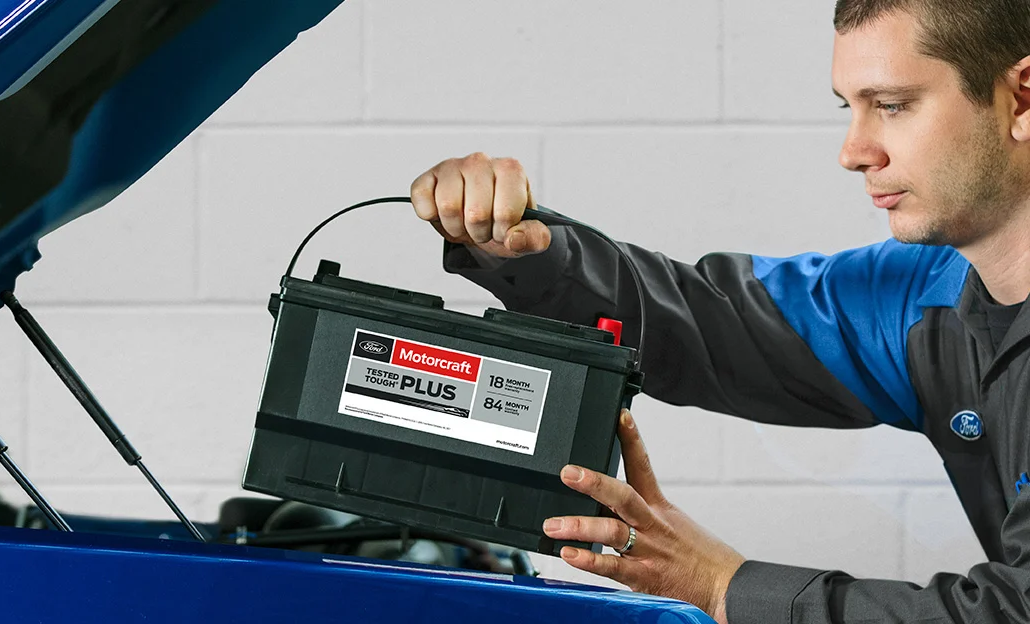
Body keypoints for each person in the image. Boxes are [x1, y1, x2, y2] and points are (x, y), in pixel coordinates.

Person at [409, 1, 1030, 622]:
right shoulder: (925, 295)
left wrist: (721, 585)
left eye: (892, 105)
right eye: (852, 107)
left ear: (1021, 98)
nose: (854, 151)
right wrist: (532, 253)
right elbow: (712, 321)